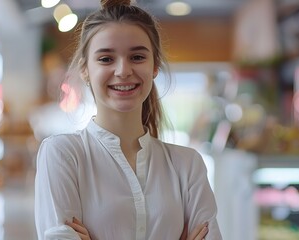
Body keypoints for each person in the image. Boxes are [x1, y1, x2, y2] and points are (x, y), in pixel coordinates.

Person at [34, 0, 222, 239]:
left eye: (137, 57)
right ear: (85, 69)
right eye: (106, 59)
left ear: (155, 66)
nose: (123, 70)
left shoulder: (187, 165)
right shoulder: (63, 154)